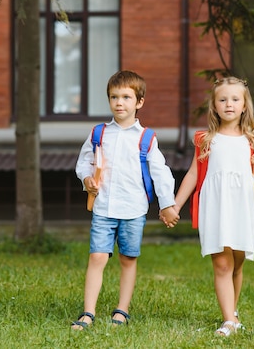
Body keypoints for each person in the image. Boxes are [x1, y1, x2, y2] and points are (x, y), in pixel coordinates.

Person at [71, 70, 180, 330]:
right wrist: (87, 179)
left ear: (139, 102)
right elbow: (83, 162)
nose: (119, 102)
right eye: (114, 97)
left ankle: (122, 310)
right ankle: (88, 312)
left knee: (127, 259)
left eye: (126, 97)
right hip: (104, 207)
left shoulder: (146, 138)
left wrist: (167, 204)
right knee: (97, 257)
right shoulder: (99, 134)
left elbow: (160, 172)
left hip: (133, 209)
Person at [168, 76, 254, 337]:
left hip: (243, 207)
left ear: (244, 105)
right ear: (214, 106)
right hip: (215, 206)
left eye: (235, 99)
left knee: (237, 264)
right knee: (222, 265)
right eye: (223, 99)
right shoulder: (205, 139)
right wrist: (175, 205)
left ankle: (233, 313)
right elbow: (193, 174)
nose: (229, 104)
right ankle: (229, 321)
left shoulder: (252, 142)